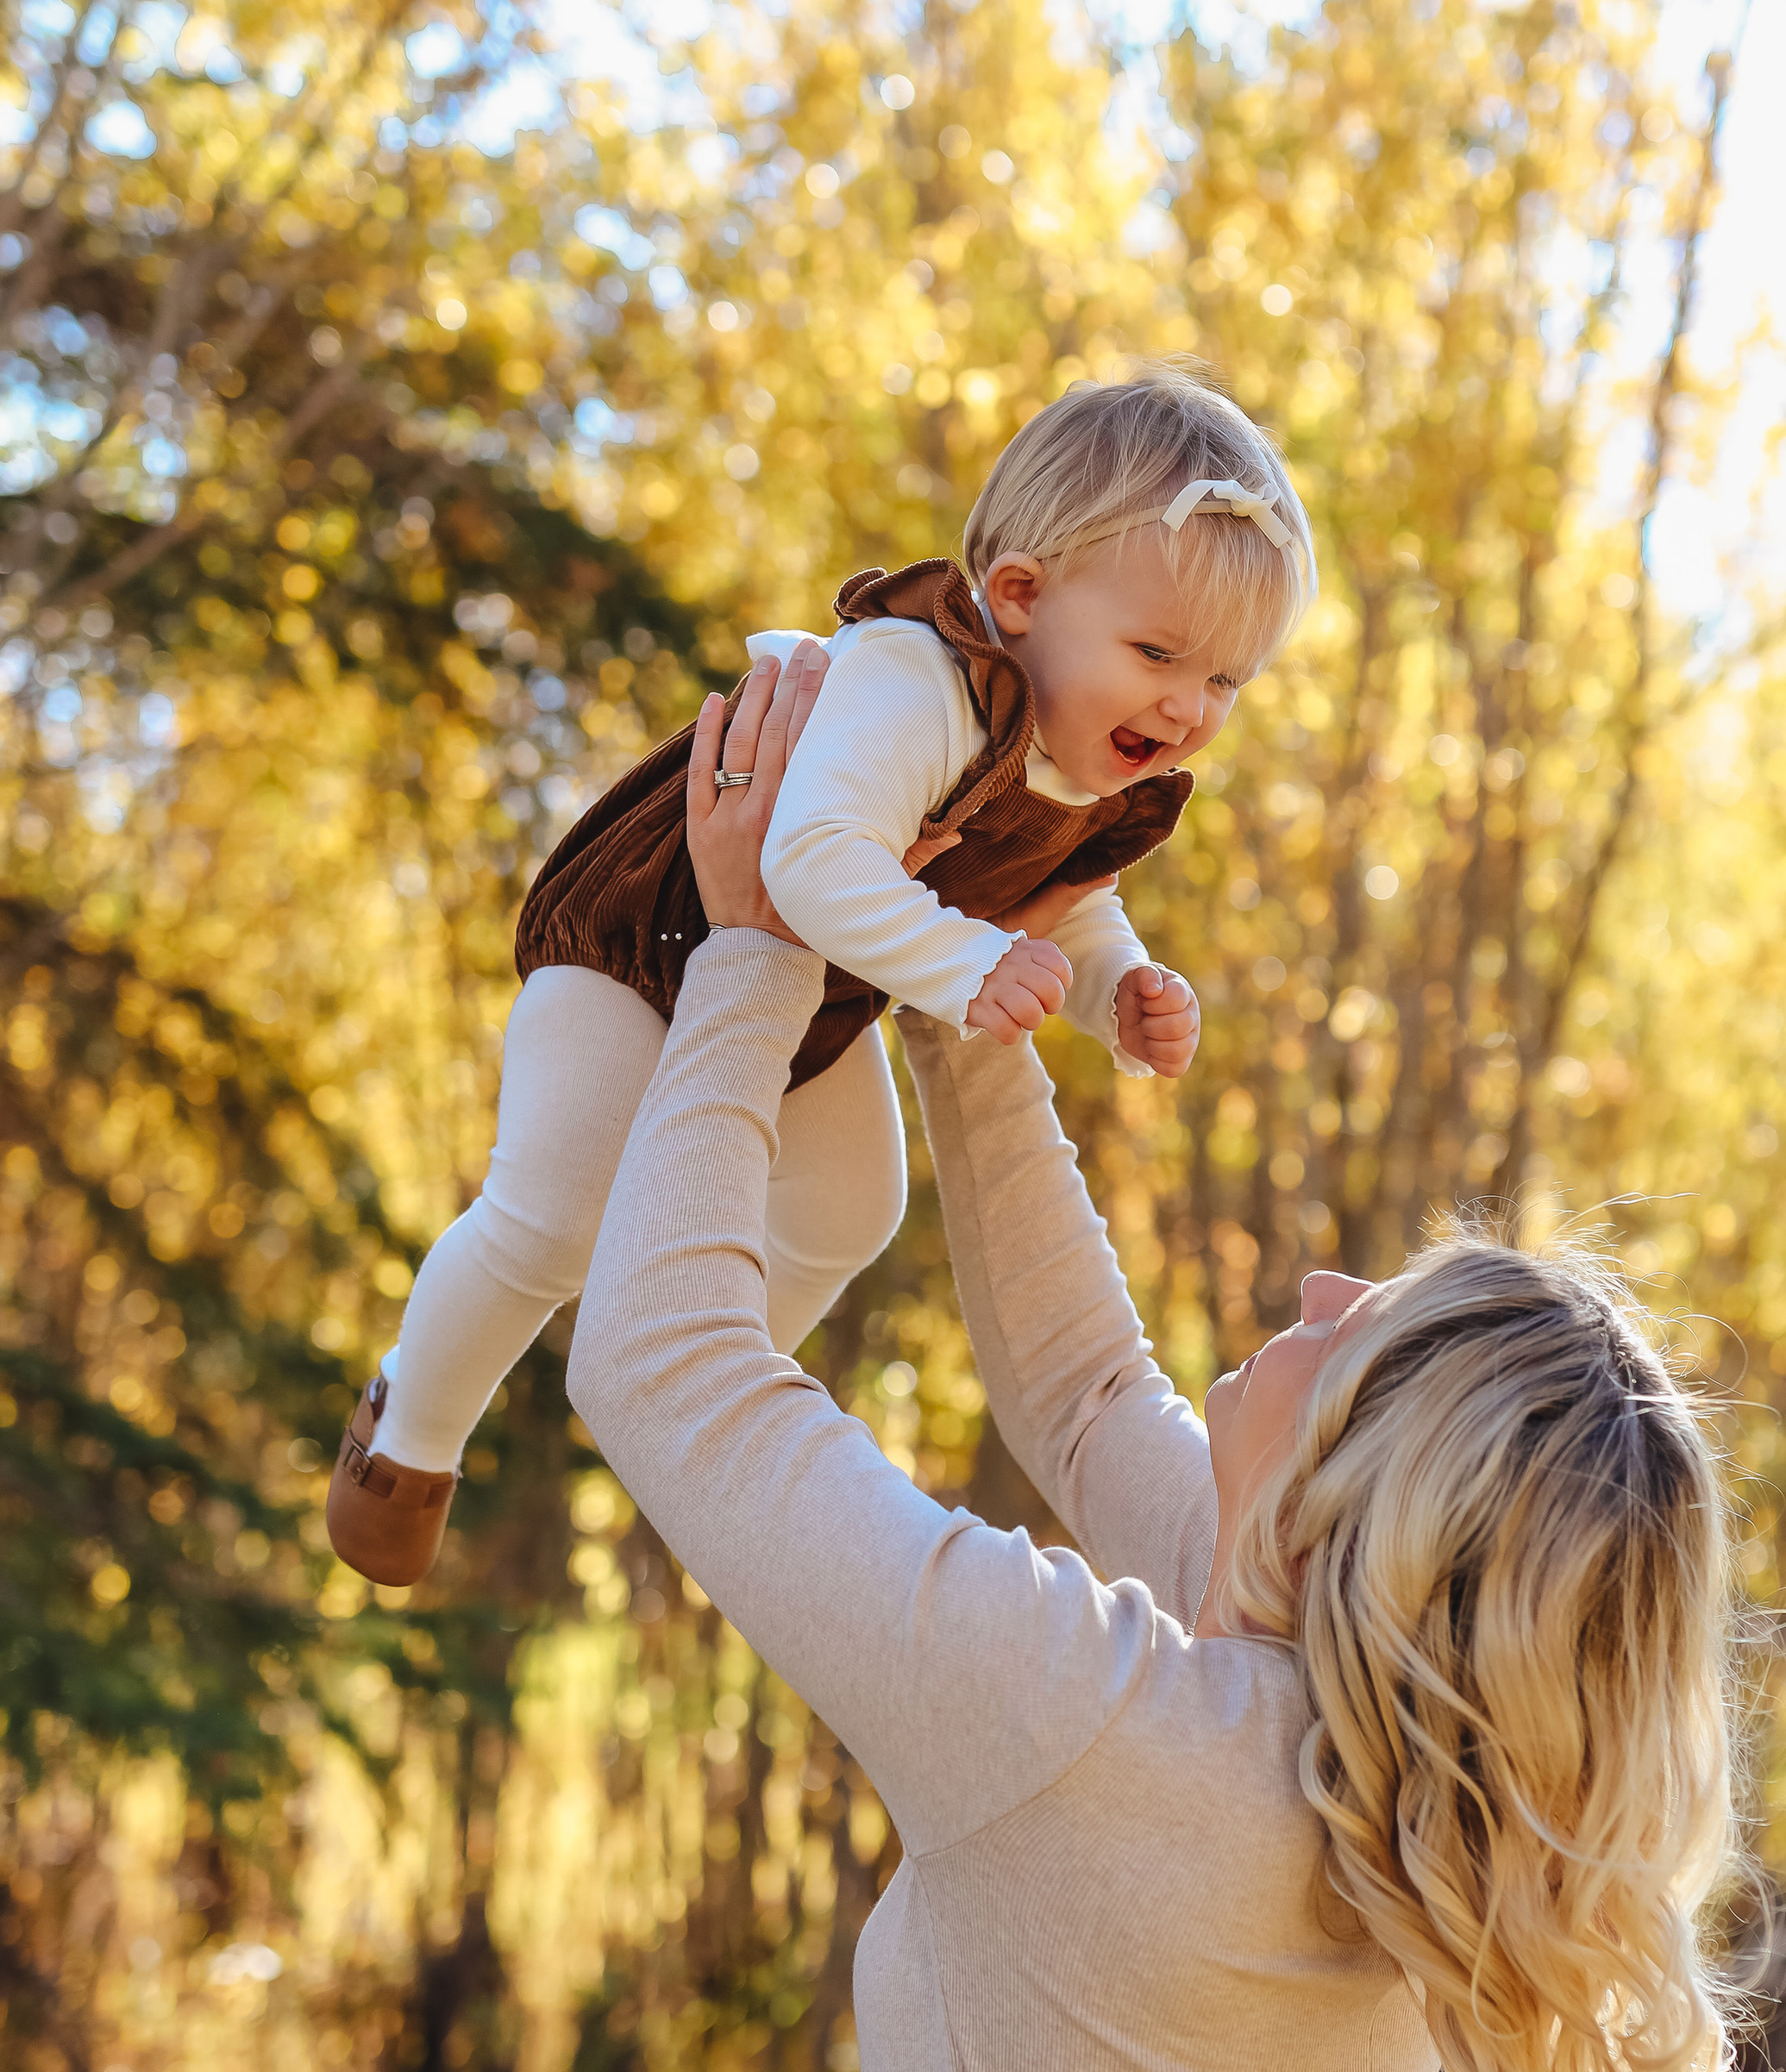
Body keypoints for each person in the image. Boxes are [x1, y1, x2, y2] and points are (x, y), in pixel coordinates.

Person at [564, 654, 1786, 2072]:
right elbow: (1086, 1395)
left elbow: (663, 1366)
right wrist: (966, 960)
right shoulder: (1355, 1772)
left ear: (1356, 1502)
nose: (1314, 1301)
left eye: (1366, 1334)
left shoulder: (1106, 1730)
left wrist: (741, 951)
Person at [324, 366, 1313, 1586]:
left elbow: (1074, 904)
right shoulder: (922, 681)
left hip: (797, 1005)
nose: (1190, 705)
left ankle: (679, 1401)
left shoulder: (1090, 762)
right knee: (549, 1217)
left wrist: (1121, 994)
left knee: (853, 1209)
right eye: (1159, 651)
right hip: (641, 949)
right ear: (1018, 595)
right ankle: (404, 1443)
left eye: (1226, 679)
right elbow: (806, 858)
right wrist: (966, 962)